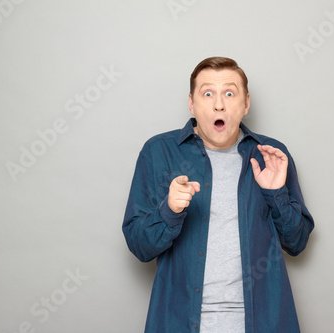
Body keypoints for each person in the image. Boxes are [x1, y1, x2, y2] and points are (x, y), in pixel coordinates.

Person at [122, 56, 314, 333]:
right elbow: (139, 247)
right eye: (208, 93)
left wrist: (276, 194)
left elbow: (297, 243)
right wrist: (169, 211)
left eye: (229, 93)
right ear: (191, 103)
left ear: (245, 103)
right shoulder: (158, 152)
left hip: (262, 323)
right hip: (180, 322)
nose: (219, 104)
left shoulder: (270, 155)